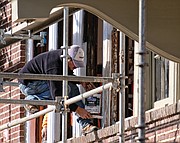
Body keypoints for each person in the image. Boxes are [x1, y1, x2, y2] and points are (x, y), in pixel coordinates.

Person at [18, 45, 98, 135]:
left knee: (73, 88)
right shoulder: (54, 66)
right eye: (75, 64)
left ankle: (86, 124)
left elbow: (67, 77)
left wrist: (81, 81)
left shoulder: (62, 61)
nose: (76, 67)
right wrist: (77, 109)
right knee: (66, 89)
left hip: (38, 82)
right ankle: (31, 100)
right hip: (29, 85)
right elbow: (57, 96)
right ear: (69, 59)